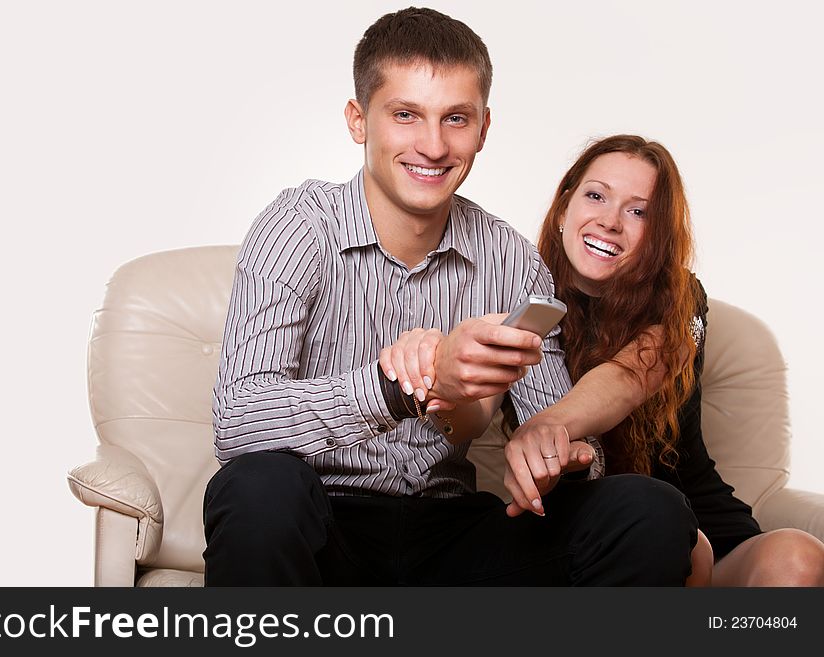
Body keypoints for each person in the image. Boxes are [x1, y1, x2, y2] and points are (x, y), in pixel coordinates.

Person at [205, 8, 699, 586]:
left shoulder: (512, 259)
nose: (434, 146)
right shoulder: (298, 226)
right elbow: (236, 421)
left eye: (456, 119)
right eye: (407, 114)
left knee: (649, 512)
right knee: (256, 487)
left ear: (484, 128)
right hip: (321, 524)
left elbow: (555, 420)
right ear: (359, 119)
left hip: (450, 534)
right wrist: (399, 388)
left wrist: (558, 457)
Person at [386, 133, 824, 586]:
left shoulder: (681, 298)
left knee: (796, 556)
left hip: (700, 519)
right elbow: (478, 408)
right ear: (563, 209)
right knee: (676, 541)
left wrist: (545, 426)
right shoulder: (517, 295)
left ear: (658, 236)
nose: (611, 221)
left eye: (638, 211)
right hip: (599, 532)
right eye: (596, 196)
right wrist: (441, 382)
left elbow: (626, 378)